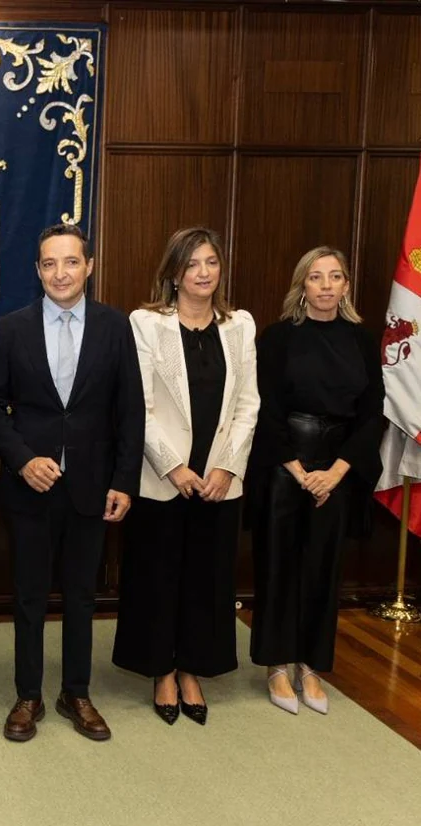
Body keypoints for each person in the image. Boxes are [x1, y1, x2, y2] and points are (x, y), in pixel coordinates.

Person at [0, 223, 143, 743]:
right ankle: (28, 694)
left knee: (81, 597)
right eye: (49, 264)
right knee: (29, 596)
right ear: (37, 270)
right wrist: (24, 459)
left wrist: (124, 480)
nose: (60, 273)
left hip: (93, 488)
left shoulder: (116, 327)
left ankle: (77, 692)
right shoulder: (12, 329)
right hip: (31, 488)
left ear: (88, 266)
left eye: (70, 262)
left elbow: (130, 411)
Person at [111, 227, 259, 726]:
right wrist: (173, 466)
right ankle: (162, 671)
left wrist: (225, 466)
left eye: (211, 262)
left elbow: (248, 404)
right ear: (173, 272)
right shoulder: (146, 324)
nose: (203, 272)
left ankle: (193, 667)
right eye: (192, 264)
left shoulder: (241, 325)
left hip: (219, 482)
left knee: (208, 578)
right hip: (163, 479)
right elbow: (140, 405)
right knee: (158, 576)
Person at [248, 246, 383, 715]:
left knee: (324, 569)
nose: (326, 285)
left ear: (346, 285)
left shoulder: (363, 341)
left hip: (338, 467)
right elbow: (264, 407)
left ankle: (310, 665)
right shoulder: (278, 337)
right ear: (301, 285)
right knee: (279, 564)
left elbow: (372, 415)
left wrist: (337, 472)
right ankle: (276, 666)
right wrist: (298, 470)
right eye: (316, 277)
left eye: (335, 277)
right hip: (287, 465)